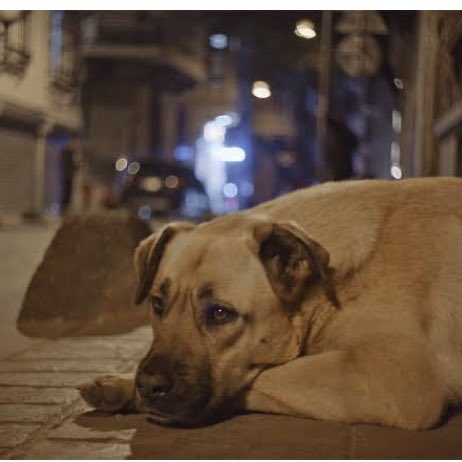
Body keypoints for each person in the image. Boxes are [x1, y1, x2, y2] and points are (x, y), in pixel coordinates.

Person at [60, 138, 79, 213]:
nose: (75, 147)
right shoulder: (67, 154)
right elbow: (69, 165)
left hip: (69, 176)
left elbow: (73, 166)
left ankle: (66, 208)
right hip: (66, 176)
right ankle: (64, 209)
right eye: (74, 145)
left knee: (68, 193)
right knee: (66, 193)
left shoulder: (71, 154)